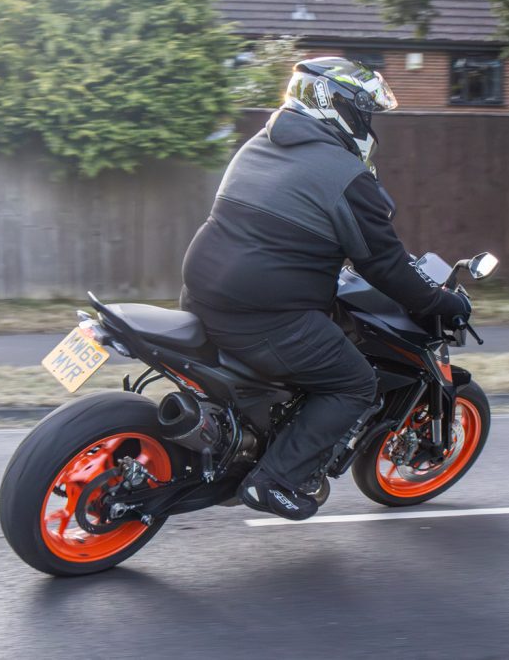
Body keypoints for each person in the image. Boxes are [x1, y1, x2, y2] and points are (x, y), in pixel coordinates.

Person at [180, 57, 471, 521]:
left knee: (332, 337)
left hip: (202, 291)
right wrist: (443, 303)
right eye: (365, 114)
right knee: (354, 382)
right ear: (341, 109)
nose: (369, 125)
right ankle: (274, 480)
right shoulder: (344, 175)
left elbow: (282, 228)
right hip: (266, 315)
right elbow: (386, 266)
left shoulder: (261, 144)